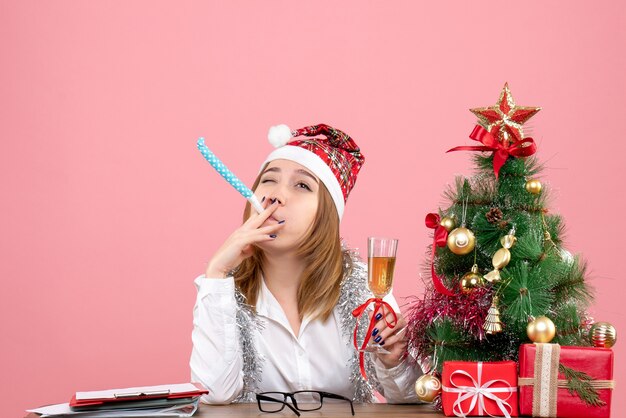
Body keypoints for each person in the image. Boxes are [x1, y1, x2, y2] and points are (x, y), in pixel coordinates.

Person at [190, 124, 420, 405]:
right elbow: (214, 394)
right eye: (269, 180)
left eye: (302, 185)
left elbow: (413, 397)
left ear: (327, 214)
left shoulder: (364, 286)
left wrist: (393, 362)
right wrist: (216, 273)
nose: (275, 196)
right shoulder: (223, 294)